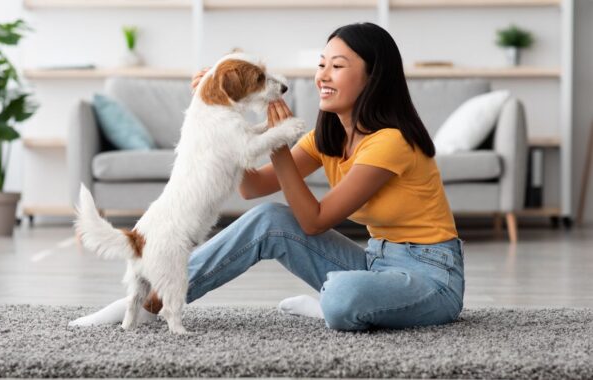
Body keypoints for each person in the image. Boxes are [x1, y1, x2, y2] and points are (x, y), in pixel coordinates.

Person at [69, 22, 465, 331]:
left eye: (338, 67)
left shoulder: (390, 142)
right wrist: (222, 110)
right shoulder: (327, 137)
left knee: (344, 295)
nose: (323, 76)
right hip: (375, 262)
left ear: (373, 78)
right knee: (268, 219)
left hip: (432, 276)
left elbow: (314, 221)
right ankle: (150, 303)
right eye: (321, 64)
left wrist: (276, 146)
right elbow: (252, 187)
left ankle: (334, 305)